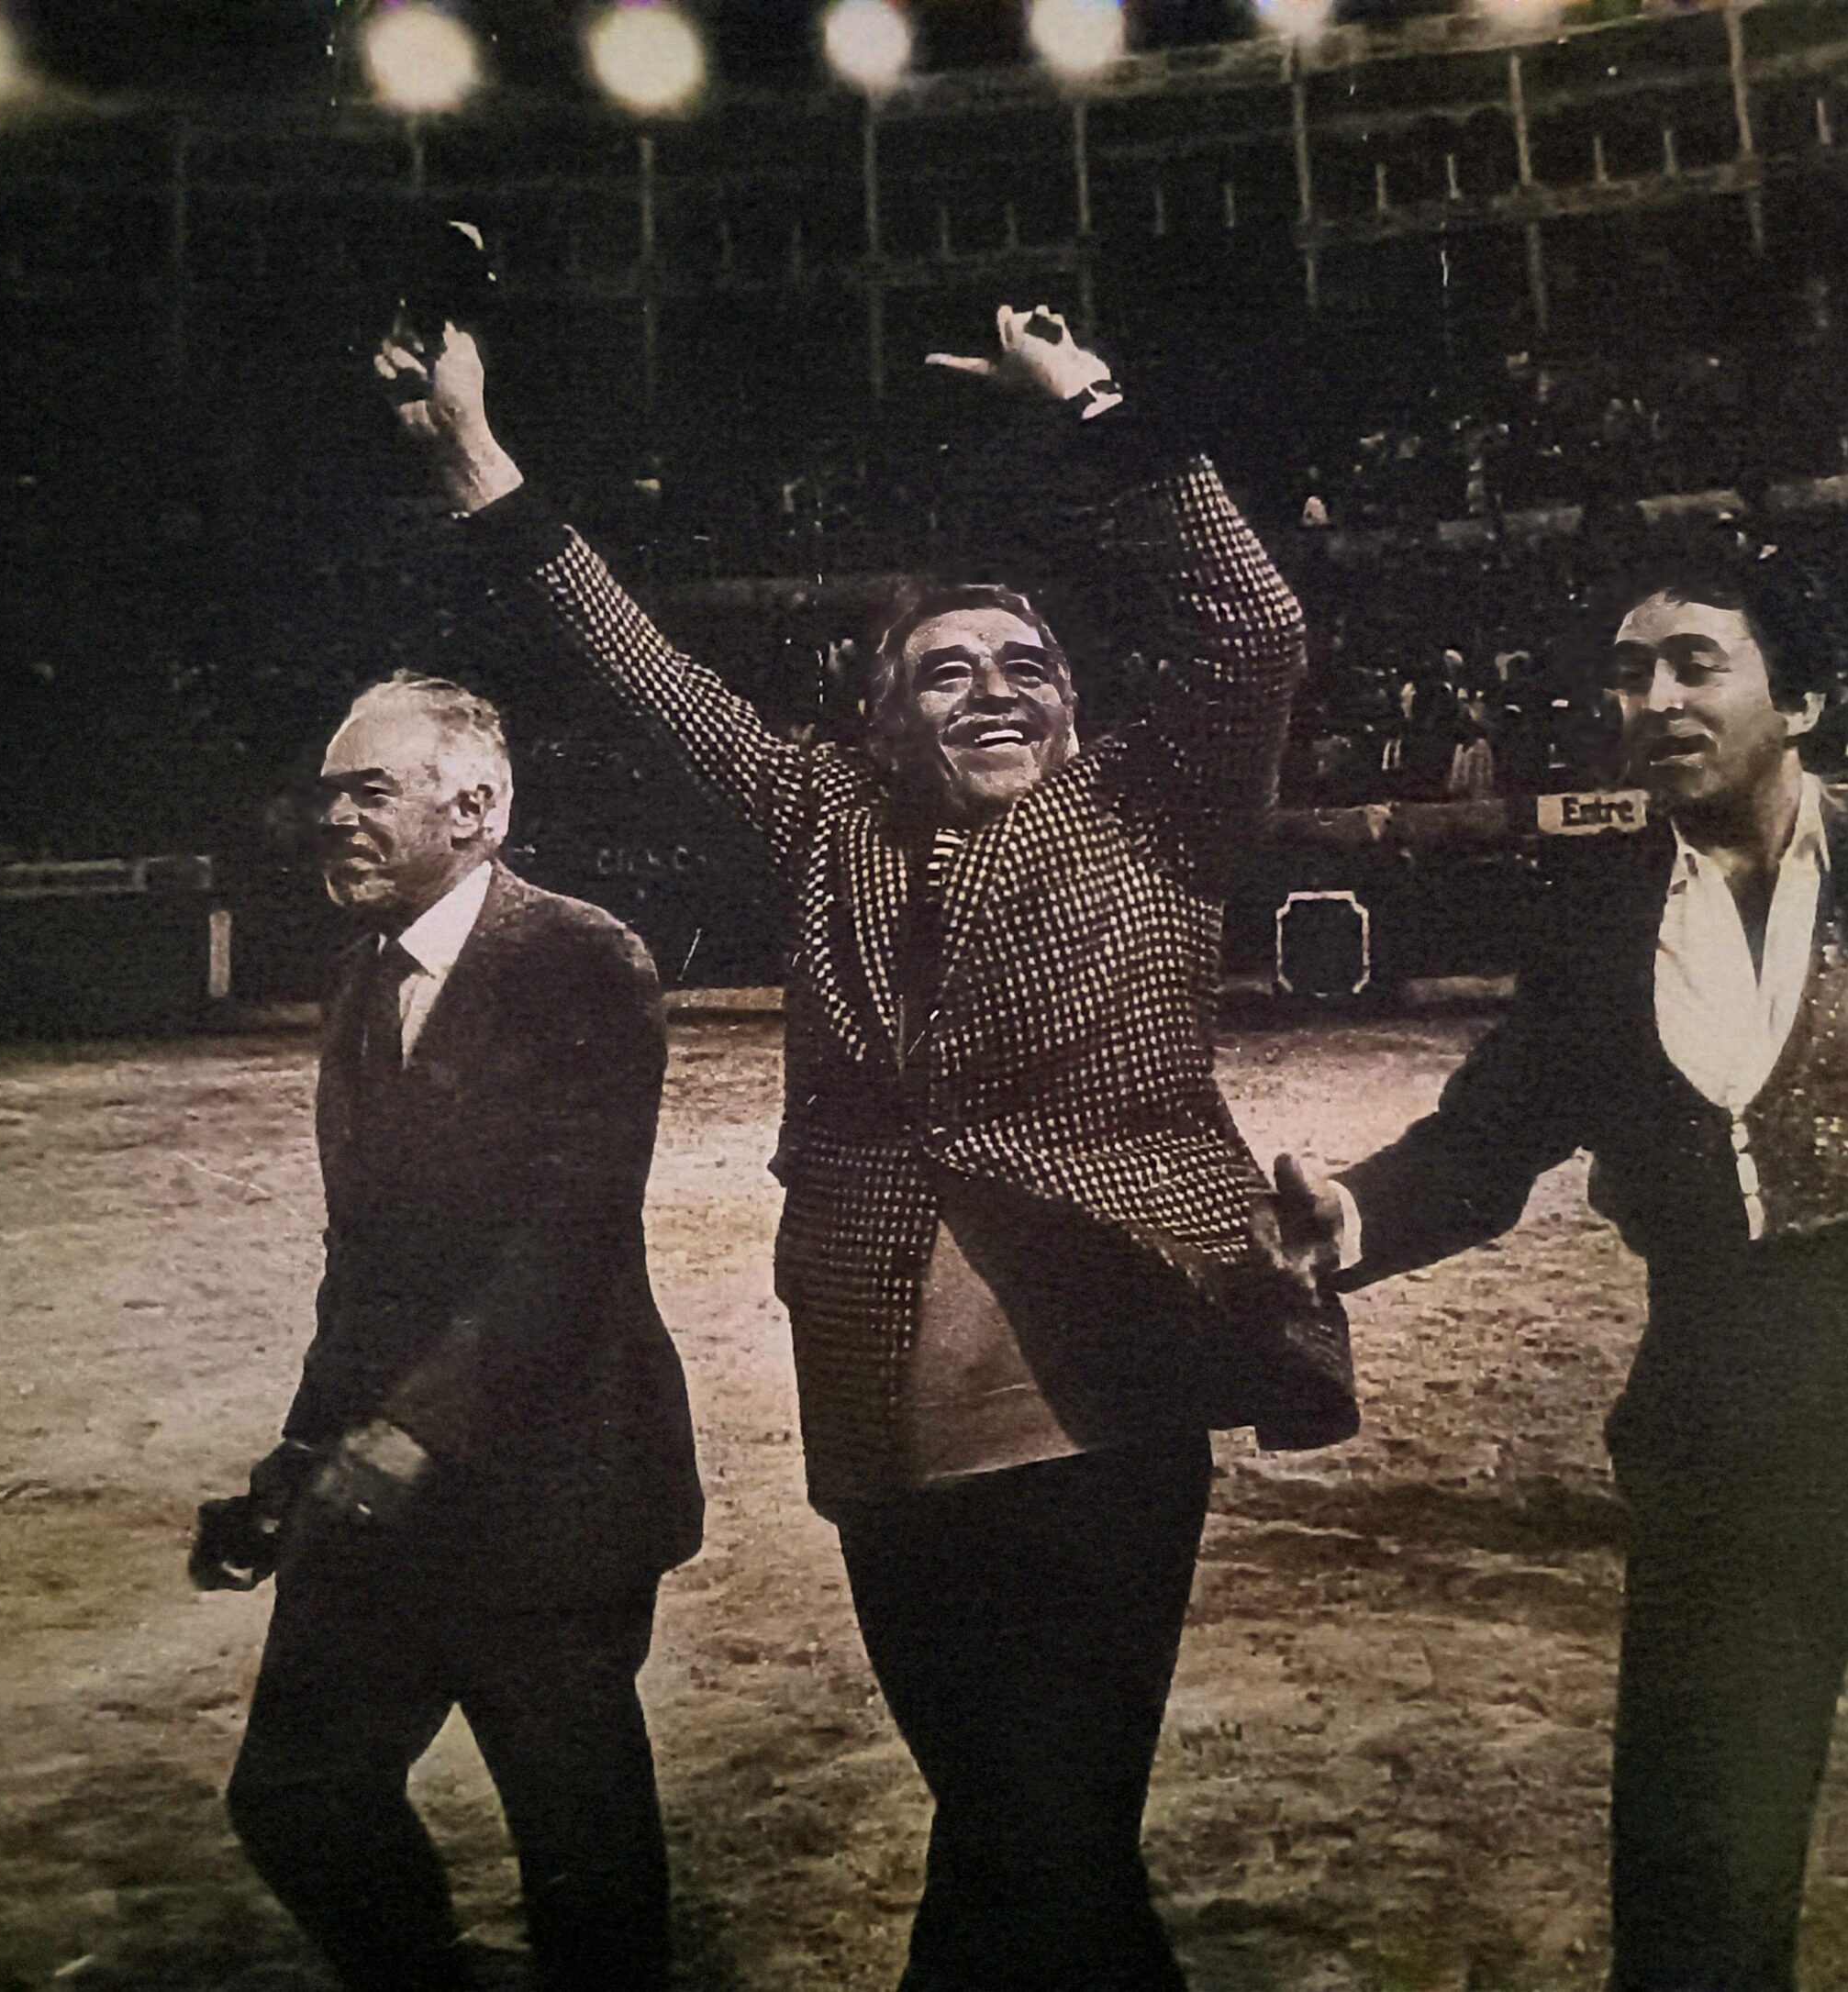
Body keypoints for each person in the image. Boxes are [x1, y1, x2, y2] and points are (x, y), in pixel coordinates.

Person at [374, 303, 1354, 1991]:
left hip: (1113, 1411)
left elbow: (1255, 626)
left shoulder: (1153, 811)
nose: (995, 688)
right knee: (1020, 1831)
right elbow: (643, 671)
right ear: (882, 718)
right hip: (890, 1421)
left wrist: (1089, 403)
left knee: (1039, 1834)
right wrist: (472, 453)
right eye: (946, 669)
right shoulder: (827, 816)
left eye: (1028, 665)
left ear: (1074, 710)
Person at [1258, 534, 1848, 1992]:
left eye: (1693, 664)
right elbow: (1486, 1140)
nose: (1653, 698)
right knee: (1698, 1923)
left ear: (1799, 700)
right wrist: (1349, 1214)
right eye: (1627, 674)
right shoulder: (1601, 923)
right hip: (1719, 1473)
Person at [192, 673, 703, 1992]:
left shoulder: (582, 955)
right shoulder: (361, 975)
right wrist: (298, 1457)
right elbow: (361, 1267)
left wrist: (410, 1436)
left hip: (556, 1491)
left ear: (475, 809)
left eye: (369, 791)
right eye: (327, 794)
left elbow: (572, 1235)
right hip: (377, 1488)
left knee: (584, 1866)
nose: (332, 819)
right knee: (298, 1797)